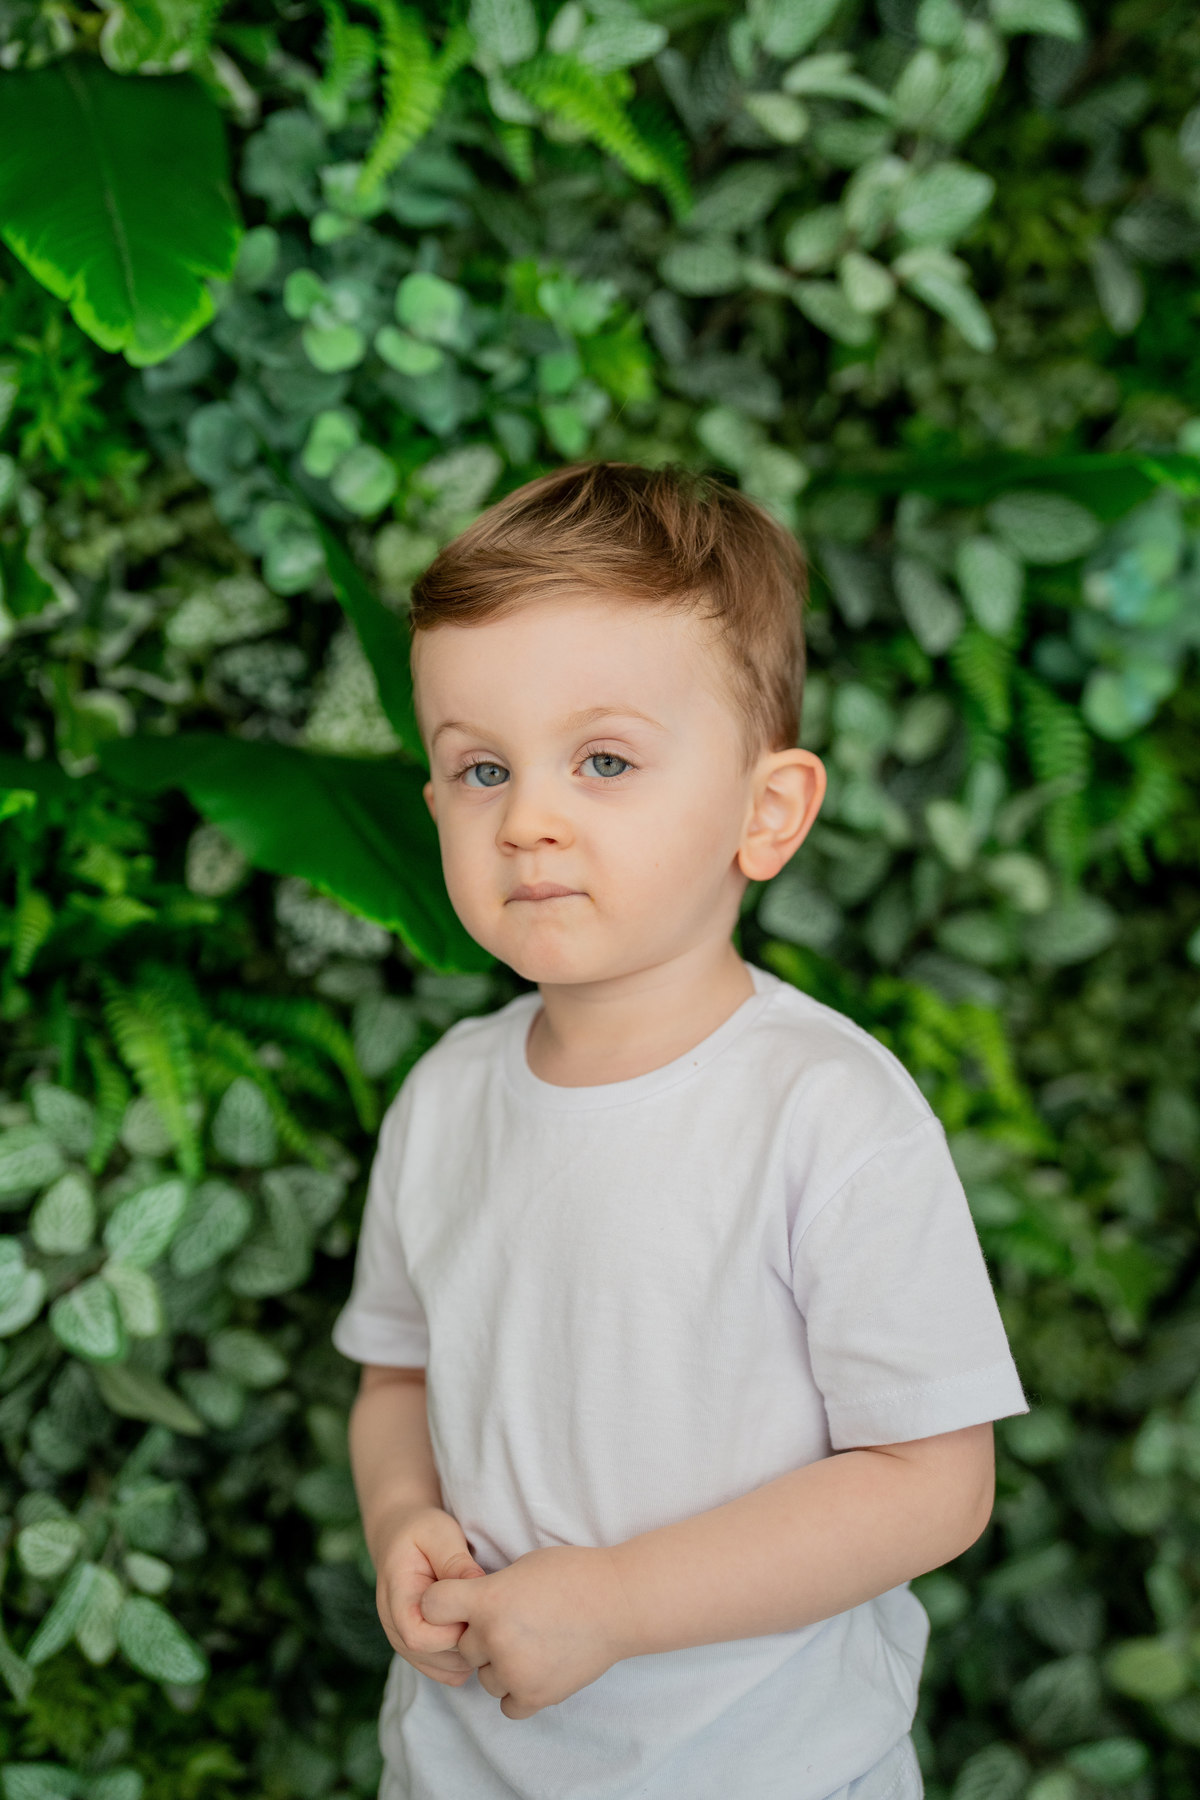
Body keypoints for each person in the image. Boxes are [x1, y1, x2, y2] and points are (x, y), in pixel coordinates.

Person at [331, 460, 1028, 1800]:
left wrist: (617, 1603)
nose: (528, 819)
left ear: (767, 813)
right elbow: (397, 1380)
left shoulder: (826, 1111)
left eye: (603, 760)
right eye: (481, 768)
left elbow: (933, 1482)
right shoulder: (445, 1101)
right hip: (460, 1765)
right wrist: (401, 1516)